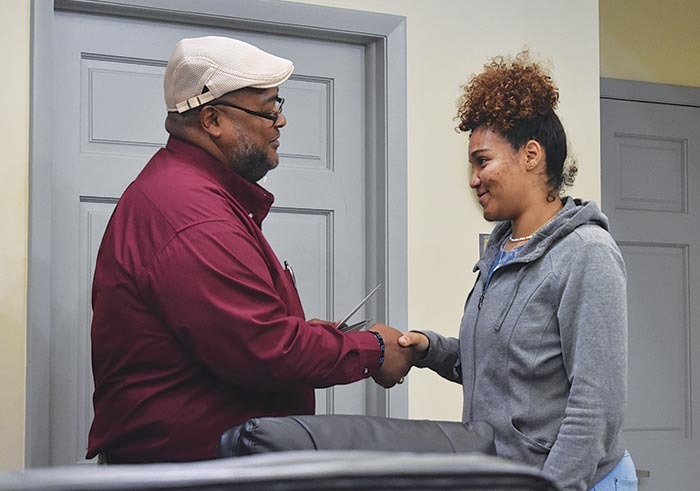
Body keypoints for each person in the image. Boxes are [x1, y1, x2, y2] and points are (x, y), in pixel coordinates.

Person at [87, 36, 412, 464]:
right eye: (267, 109)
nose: (280, 122)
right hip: (185, 473)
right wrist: (375, 349)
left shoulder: (191, 196)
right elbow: (264, 350)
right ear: (212, 119)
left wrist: (320, 336)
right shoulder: (192, 213)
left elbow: (235, 332)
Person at [398, 51, 637, 491]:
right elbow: (503, 370)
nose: (473, 179)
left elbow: (596, 408)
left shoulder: (586, 253)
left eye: (482, 161)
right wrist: (429, 350)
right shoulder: (500, 251)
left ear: (531, 155)